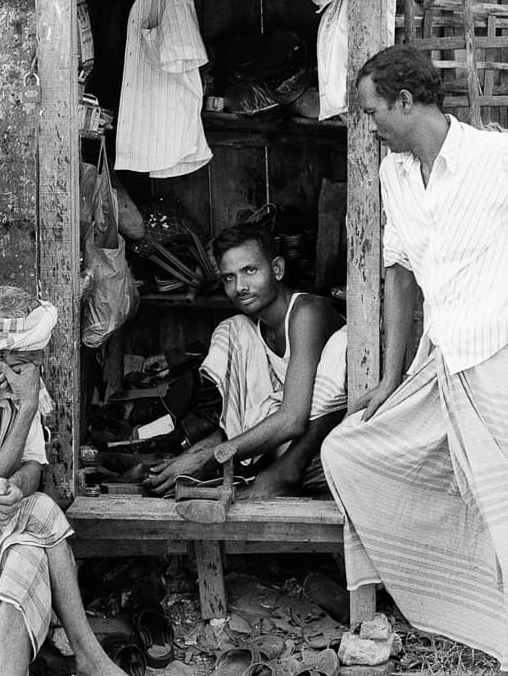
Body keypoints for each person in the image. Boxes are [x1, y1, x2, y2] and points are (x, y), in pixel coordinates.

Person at [321, 45, 508, 667]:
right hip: (440, 361)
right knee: (348, 449)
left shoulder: (494, 158)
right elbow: (398, 274)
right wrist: (391, 376)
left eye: (373, 111)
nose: (369, 126)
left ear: (406, 102)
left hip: (495, 355)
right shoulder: (393, 174)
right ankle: (450, 609)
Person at [0, 285, 130, 676]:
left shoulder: (21, 381)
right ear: (1, 355)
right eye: (32, 354)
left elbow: (32, 468)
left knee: (27, 551)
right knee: (40, 512)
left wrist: (15, 490)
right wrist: (24, 412)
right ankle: (89, 654)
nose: (39, 361)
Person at [145, 222, 347, 499]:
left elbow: (293, 420)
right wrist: (195, 455)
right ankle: (229, 462)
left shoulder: (307, 312)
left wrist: (211, 458)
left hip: (326, 449)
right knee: (235, 327)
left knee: (343, 345)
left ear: (276, 269)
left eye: (250, 271)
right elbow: (255, 413)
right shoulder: (257, 330)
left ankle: (277, 474)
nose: (240, 287)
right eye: (229, 277)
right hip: (279, 446)